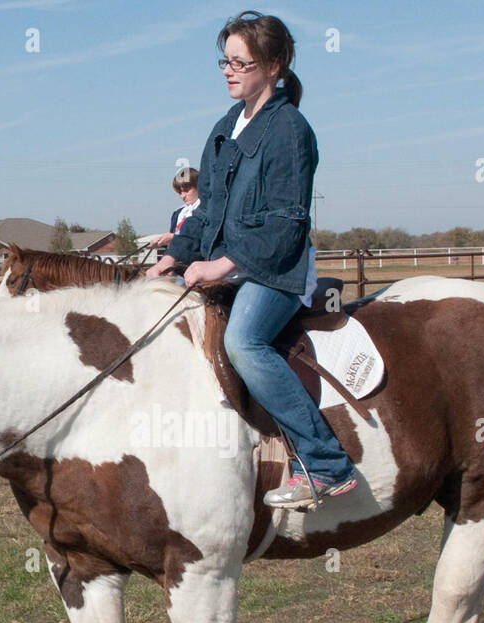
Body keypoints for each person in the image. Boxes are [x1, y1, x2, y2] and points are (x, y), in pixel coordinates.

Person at [146, 10, 356, 509]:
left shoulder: (290, 131)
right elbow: (206, 214)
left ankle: (326, 463)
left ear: (274, 65)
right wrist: (171, 259)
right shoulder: (223, 128)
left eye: (241, 62)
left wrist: (220, 266)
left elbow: (287, 227)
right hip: (229, 265)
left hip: (275, 272)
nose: (228, 70)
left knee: (244, 341)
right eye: (225, 60)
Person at [149, 168, 201, 249]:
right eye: (179, 192)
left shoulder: (208, 210)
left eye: (186, 190)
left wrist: (173, 238)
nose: (183, 196)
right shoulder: (177, 213)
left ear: (198, 186)